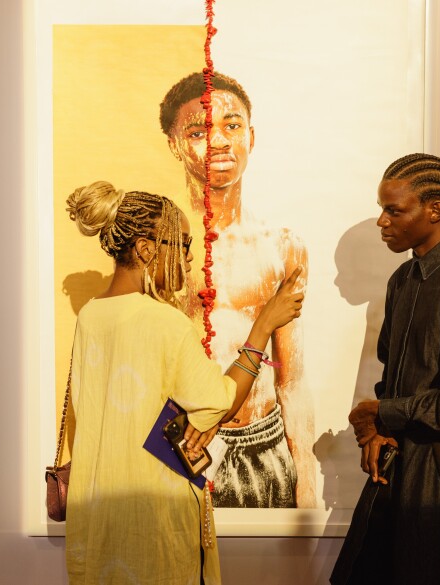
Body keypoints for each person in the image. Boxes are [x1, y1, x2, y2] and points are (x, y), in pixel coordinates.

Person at [63, 180, 304, 585]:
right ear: (145, 249)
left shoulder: (91, 314)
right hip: (152, 515)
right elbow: (218, 403)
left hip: (100, 513)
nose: (190, 261)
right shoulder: (163, 321)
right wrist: (262, 327)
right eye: (183, 245)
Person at [331, 154, 440, 585]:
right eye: (382, 209)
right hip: (397, 476)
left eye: (394, 210)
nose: (382, 221)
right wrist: (379, 429)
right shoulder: (404, 280)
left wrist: (384, 414)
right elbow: (391, 374)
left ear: (436, 210)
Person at [158, 72, 316, 508]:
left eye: (232, 125)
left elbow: (292, 378)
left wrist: (305, 480)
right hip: (183, 447)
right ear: (174, 143)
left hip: (265, 449)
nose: (219, 142)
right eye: (198, 131)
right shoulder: (161, 253)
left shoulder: (283, 247)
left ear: (251, 135)